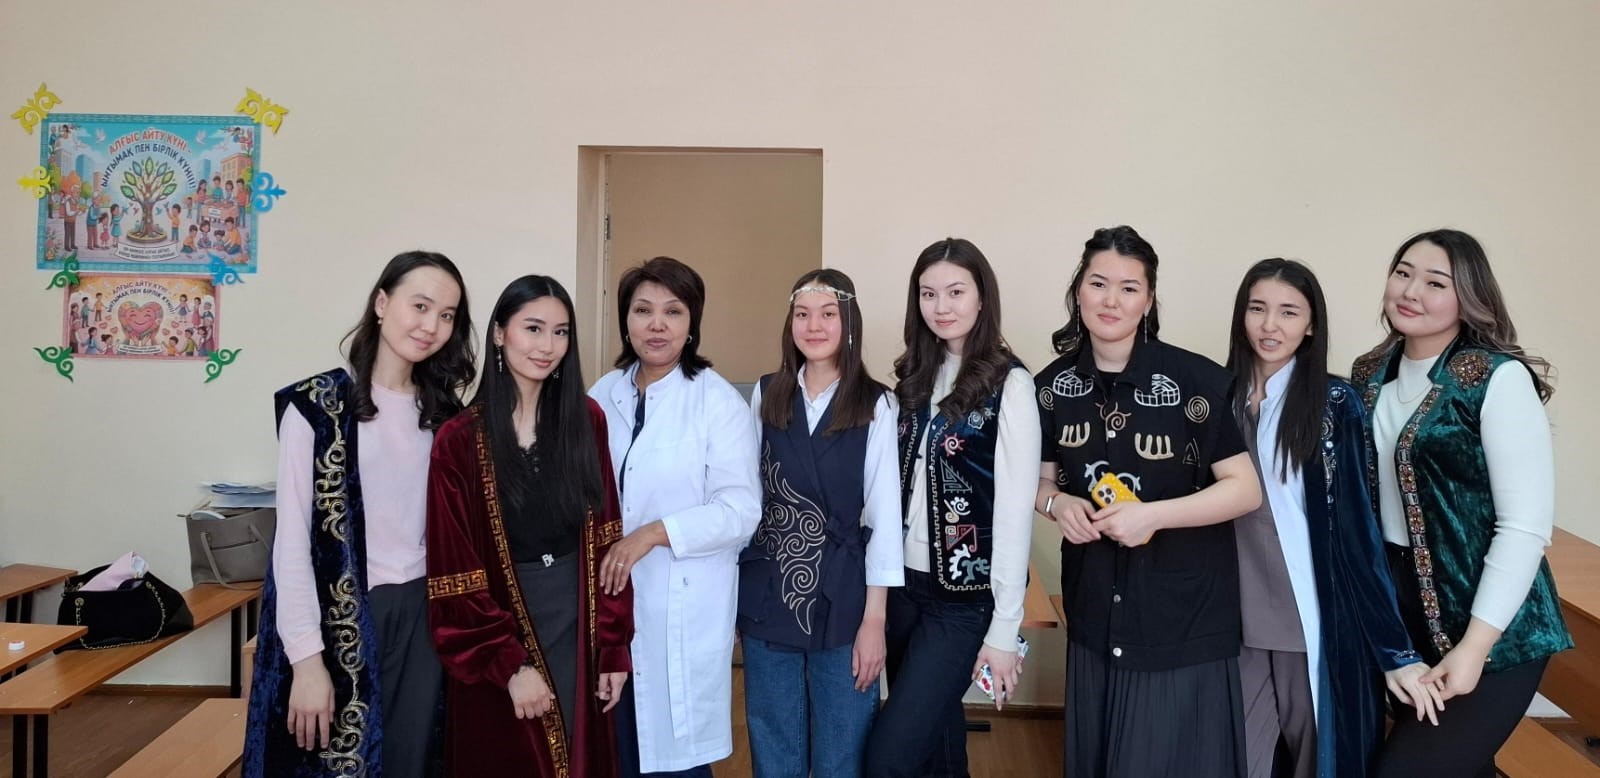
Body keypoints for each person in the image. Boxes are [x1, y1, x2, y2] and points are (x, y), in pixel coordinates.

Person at [1034, 225, 1261, 777]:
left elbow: (1245, 489)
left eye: (1129, 287)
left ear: (1149, 299)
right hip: (1093, 605)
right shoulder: (1049, 387)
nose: (1111, 300)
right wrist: (1057, 505)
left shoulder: (1197, 381)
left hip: (1181, 612)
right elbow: (1039, 484)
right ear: (1078, 291)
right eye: (1098, 283)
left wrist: (1153, 515)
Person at [243, 251, 477, 778]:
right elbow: (293, 543)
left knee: (411, 761)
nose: (431, 326)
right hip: (340, 615)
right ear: (381, 303)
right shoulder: (316, 406)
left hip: (422, 614)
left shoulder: (446, 416)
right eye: (420, 306)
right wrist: (306, 661)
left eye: (447, 315)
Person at [1355, 230, 1572, 778]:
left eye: (1435, 283)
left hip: (1495, 628)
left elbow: (1523, 527)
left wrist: (1476, 647)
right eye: (1403, 273)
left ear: (1468, 297)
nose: (1411, 291)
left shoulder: (1496, 379)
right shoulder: (1368, 374)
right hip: (1404, 619)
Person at [1224, 258, 1440, 777]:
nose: (1270, 325)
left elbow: (1357, 531)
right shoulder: (1217, 396)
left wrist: (1395, 651)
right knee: (1235, 757)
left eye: (1288, 312)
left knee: (1316, 756)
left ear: (1311, 325)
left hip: (1306, 613)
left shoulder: (1334, 402)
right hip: (1231, 614)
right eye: (1257, 309)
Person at [426, 275, 634, 777]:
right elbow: (454, 572)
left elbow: (607, 540)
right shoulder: (459, 439)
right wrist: (509, 664)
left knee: (578, 756)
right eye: (533, 328)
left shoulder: (586, 419)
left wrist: (613, 647)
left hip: (577, 614)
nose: (547, 346)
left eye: (560, 333)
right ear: (500, 333)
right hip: (498, 620)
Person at [862, 238, 1038, 778]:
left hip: (962, 601)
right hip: (901, 588)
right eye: (928, 293)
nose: (941, 307)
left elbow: (1013, 516)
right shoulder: (912, 378)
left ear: (982, 298)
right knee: (936, 747)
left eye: (956, 292)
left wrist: (1004, 630)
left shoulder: (1011, 385)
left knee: (888, 759)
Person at [589, 256, 761, 777]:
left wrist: (653, 533)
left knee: (673, 759)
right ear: (626, 321)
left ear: (692, 324)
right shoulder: (601, 395)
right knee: (612, 748)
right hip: (607, 606)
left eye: (673, 311)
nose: (657, 324)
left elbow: (740, 511)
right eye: (643, 310)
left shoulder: (717, 401)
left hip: (681, 606)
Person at [740, 269, 902, 778]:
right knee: (773, 743)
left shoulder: (877, 402)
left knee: (842, 747)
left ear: (848, 322)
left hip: (844, 592)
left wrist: (874, 621)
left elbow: (884, 517)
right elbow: (745, 501)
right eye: (803, 314)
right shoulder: (766, 393)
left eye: (828, 314)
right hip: (771, 585)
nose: (814, 326)